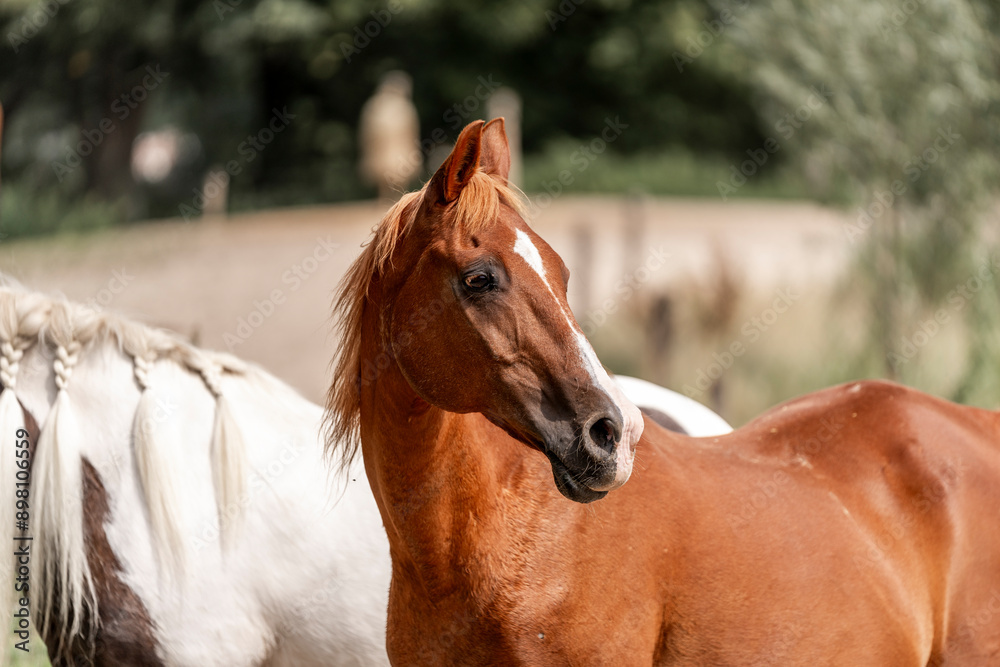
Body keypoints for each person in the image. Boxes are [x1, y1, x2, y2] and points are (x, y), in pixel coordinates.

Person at [358, 71, 420, 200]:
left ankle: (386, 198)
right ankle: (395, 199)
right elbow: (411, 132)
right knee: (399, 175)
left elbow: (367, 134)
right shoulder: (404, 107)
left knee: (386, 176)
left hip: (386, 150)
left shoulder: (374, 105)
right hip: (397, 150)